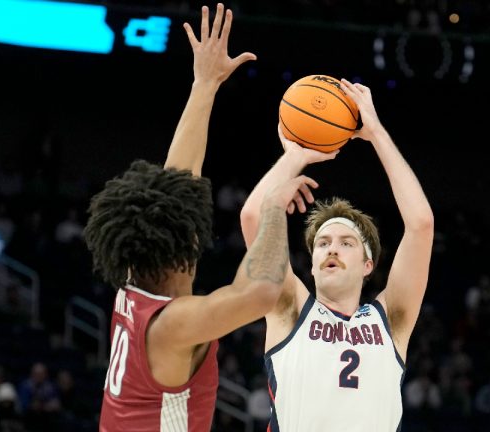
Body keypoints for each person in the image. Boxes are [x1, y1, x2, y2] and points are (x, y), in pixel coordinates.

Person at [87, 4, 318, 431]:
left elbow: (176, 182)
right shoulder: (171, 324)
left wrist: (205, 84)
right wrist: (271, 210)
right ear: (184, 252)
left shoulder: (133, 285)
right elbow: (259, 294)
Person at [240, 79, 435, 430]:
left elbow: (421, 224)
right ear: (312, 265)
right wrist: (295, 157)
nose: (332, 247)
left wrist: (376, 133)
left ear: (368, 265)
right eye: (323, 243)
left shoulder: (391, 320)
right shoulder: (290, 308)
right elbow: (253, 217)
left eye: (347, 243)